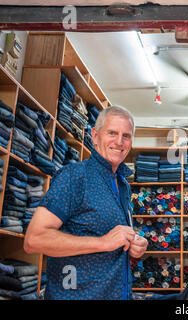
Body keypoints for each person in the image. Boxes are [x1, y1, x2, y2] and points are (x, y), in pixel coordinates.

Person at [24, 106, 147, 300]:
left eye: (126, 135)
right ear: (95, 135)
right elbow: (34, 240)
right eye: (112, 133)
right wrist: (103, 242)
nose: (119, 141)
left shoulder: (123, 185)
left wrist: (135, 245)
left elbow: (107, 234)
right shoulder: (74, 177)